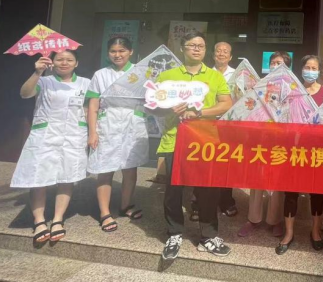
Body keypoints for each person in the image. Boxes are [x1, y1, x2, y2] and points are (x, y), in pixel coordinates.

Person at [157, 31, 233, 260]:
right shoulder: (168, 76)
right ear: (182, 48)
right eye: (192, 45)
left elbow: (226, 103)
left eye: (201, 45)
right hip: (174, 139)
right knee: (173, 189)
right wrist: (167, 107)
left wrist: (200, 112)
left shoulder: (214, 76)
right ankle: (174, 233)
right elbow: (153, 106)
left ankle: (209, 236)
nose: (197, 49)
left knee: (208, 190)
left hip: (204, 141)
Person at [11, 50, 90, 243]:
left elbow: (90, 108)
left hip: (74, 135)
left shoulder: (86, 83)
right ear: (52, 62)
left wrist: (91, 132)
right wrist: (37, 72)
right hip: (45, 135)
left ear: (76, 63)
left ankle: (57, 219)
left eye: (69, 59)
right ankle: (39, 221)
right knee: (39, 177)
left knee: (67, 177)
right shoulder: (44, 81)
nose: (64, 62)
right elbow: (24, 94)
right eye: (59, 59)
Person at [87, 37, 149, 233]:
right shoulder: (100, 75)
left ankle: (125, 205)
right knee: (105, 168)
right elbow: (93, 106)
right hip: (108, 124)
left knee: (130, 168)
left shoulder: (141, 73)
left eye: (122, 50)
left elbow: (152, 98)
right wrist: (92, 132)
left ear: (131, 52)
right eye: (113, 51)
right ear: (108, 53)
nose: (117, 54)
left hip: (132, 123)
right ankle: (105, 213)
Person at [277, 55, 323, 254]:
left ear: (319, 70)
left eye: (314, 67)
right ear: (301, 69)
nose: (310, 71)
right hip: (294, 150)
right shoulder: (292, 92)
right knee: (290, 192)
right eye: (307, 67)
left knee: (316, 192)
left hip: (317, 151)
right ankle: (288, 233)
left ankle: (315, 231)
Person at [237, 51, 289, 238]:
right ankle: (253, 219)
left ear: (287, 66)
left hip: (282, 142)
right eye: (273, 63)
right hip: (260, 140)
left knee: (277, 183)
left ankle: (275, 220)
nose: (275, 66)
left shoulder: (292, 88)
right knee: (256, 181)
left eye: (279, 63)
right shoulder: (260, 86)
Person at [189, 41, 237, 221]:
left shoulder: (238, 75)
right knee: (202, 163)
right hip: (205, 123)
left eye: (225, 51)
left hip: (229, 125)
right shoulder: (205, 74)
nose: (222, 54)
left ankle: (226, 202)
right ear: (213, 54)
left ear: (230, 56)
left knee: (226, 164)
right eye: (218, 51)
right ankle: (197, 204)